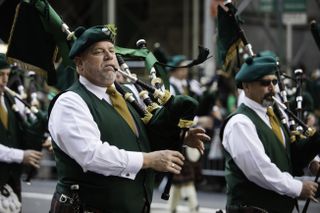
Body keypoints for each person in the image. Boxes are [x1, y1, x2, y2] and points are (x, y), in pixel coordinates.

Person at [48, 24, 210, 213]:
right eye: (99, 52)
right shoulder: (70, 102)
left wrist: (179, 136)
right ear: (80, 64)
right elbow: (91, 155)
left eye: (111, 50)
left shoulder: (125, 93)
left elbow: (143, 136)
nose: (109, 56)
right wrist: (147, 160)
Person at [220, 55, 320, 213]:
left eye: (274, 81)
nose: (273, 88)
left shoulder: (273, 114)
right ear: (246, 86)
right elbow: (259, 170)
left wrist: (312, 160)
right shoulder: (240, 123)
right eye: (265, 83)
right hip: (252, 208)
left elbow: (286, 148)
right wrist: (298, 187)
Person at [0, 53, 43, 212]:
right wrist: (21, 156)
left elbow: (23, 128)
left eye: (7, 74)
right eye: (0, 75)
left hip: (11, 181)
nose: (4, 80)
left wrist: (41, 139)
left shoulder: (11, 100)